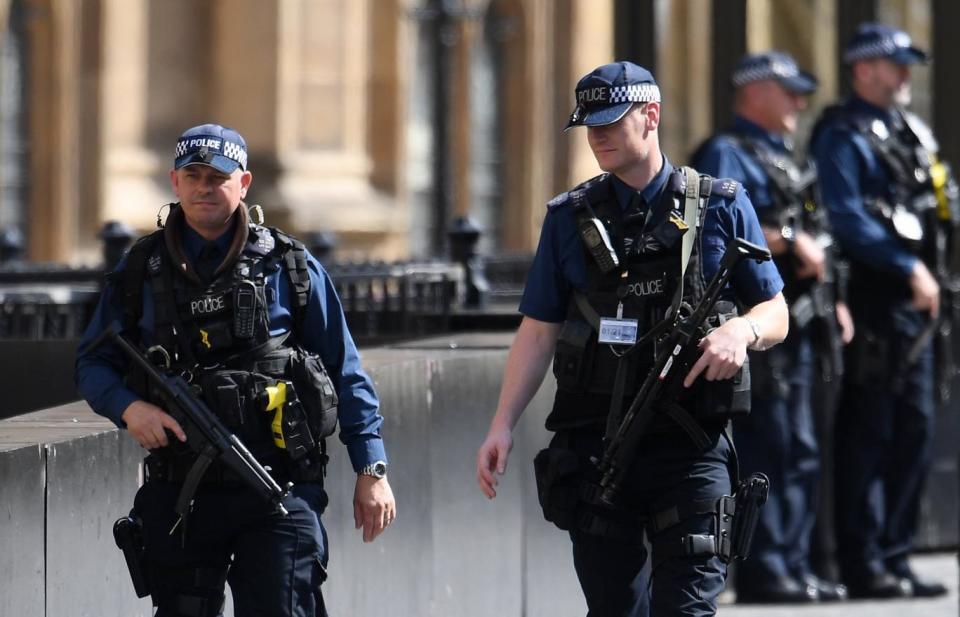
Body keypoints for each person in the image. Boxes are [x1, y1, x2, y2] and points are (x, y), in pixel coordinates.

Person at [475, 61, 788, 617]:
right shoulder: (569, 218)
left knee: (687, 609)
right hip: (599, 444)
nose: (597, 137)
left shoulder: (720, 202)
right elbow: (539, 329)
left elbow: (776, 309)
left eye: (610, 123)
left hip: (691, 444)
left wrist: (743, 329)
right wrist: (501, 424)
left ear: (651, 116)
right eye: (589, 126)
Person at [75, 123, 397, 616]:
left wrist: (371, 469)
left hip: (278, 486)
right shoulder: (141, 269)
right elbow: (92, 362)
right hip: (181, 490)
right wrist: (130, 408)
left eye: (218, 176)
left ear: (243, 184)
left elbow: (343, 368)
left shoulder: (289, 265)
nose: (205, 187)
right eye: (194, 175)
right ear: (175, 182)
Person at [691, 51, 852, 604]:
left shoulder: (786, 154)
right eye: (788, 92)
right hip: (754, 324)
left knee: (801, 447)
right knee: (772, 447)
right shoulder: (727, 151)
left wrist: (836, 299)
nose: (799, 104)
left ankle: (795, 563)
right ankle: (765, 569)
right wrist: (785, 239)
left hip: (799, 320)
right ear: (752, 92)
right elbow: (717, 223)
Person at [810, 24, 953, 599]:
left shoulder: (910, 131)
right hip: (874, 298)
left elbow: (939, 201)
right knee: (872, 431)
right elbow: (846, 218)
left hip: (919, 303)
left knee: (914, 431)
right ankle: (863, 561)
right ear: (862, 69)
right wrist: (907, 266)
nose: (903, 77)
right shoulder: (841, 134)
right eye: (894, 66)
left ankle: (897, 554)